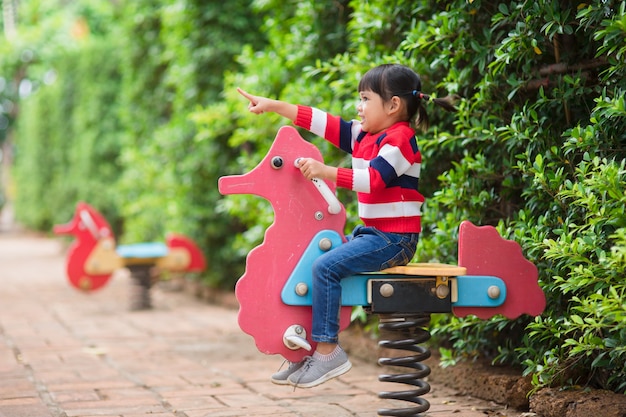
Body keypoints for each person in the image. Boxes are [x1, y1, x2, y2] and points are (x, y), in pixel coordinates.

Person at [238, 63, 458, 388]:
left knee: (326, 268)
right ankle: (305, 353)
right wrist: (273, 106)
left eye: (366, 98)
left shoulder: (400, 140)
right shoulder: (364, 136)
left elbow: (373, 180)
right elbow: (318, 120)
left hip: (394, 239)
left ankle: (328, 352)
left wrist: (324, 171)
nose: (359, 106)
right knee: (312, 262)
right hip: (374, 235)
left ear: (393, 105)